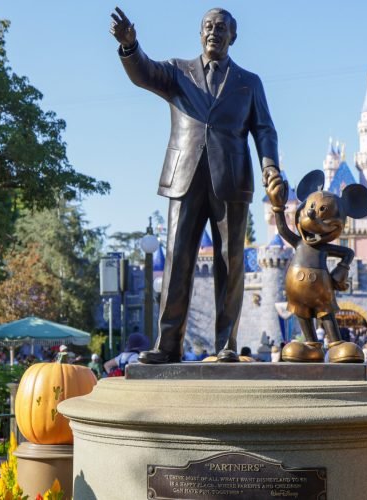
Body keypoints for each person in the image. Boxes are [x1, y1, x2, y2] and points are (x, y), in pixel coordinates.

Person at [110, 7, 282, 364]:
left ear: (233, 36)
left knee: (230, 262)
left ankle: (226, 345)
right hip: (184, 177)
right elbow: (145, 73)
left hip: (231, 180)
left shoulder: (249, 82)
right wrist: (130, 47)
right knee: (177, 259)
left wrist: (270, 167)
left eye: (221, 28)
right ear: (199, 34)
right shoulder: (177, 72)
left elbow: (264, 129)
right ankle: (167, 344)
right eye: (207, 26)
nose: (213, 32)